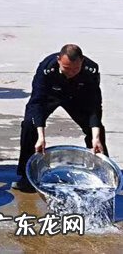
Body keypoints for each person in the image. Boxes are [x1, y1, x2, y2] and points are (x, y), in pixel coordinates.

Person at [14, 45, 108, 193]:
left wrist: (95, 137)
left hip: (77, 96)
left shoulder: (91, 70)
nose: (71, 72)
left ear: (82, 62)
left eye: (75, 69)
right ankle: (26, 175)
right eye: (67, 68)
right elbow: (37, 102)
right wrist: (41, 136)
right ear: (58, 60)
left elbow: (94, 106)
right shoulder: (46, 68)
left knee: (97, 131)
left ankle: (103, 174)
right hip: (51, 95)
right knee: (29, 125)